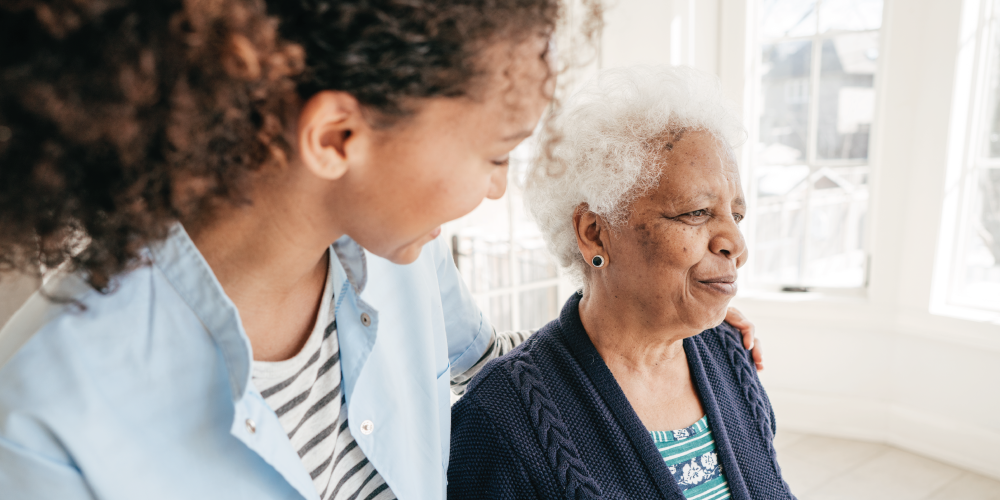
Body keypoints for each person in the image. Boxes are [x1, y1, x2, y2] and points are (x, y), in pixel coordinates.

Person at [0, 2, 760, 499]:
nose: (498, 190)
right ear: (338, 138)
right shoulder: (43, 419)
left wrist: (640, 345)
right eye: (496, 154)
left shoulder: (403, 260)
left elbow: (497, 366)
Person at [448, 65, 794, 500]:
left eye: (736, 216)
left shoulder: (729, 352)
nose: (736, 244)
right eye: (696, 212)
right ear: (594, 232)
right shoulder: (498, 419)